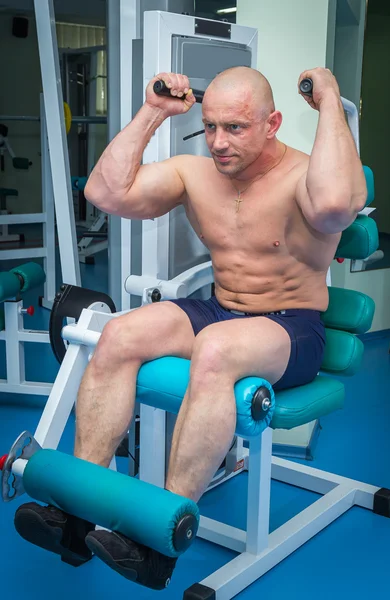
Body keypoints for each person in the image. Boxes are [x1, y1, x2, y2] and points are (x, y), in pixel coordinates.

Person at [14, 66, 367, 589]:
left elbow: (338, 206)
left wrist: (332, 98)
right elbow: (105, 194)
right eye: (210, 127)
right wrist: (154, 112)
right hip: (220, 308)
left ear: (272, 123)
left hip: (291, 327)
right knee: (119, 333)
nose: (219, 143)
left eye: (236, 128)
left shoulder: (306, 176)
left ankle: (157, 544)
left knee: (217, 351)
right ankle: (76, 514)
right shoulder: (194, 173)